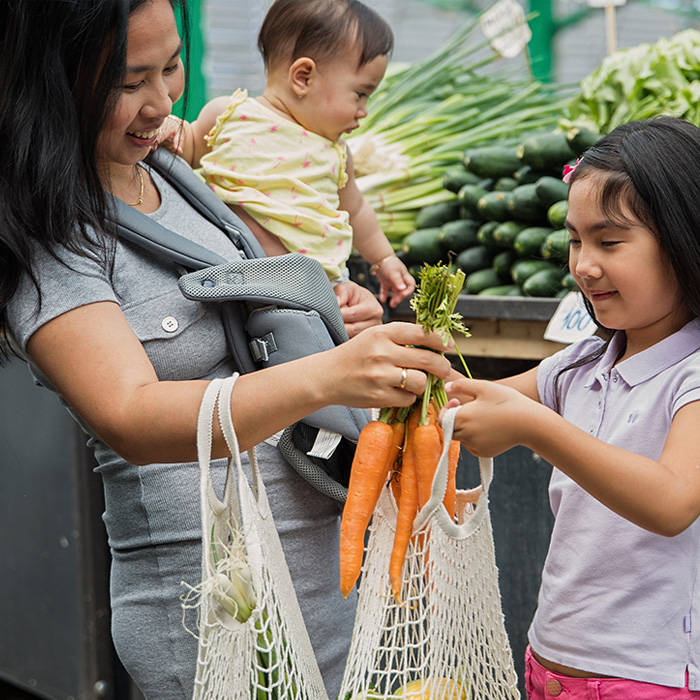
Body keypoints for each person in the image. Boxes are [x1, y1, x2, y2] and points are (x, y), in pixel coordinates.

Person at [0, 1, 453, 698]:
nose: (162, 102)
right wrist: (329, 375)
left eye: (172, 66)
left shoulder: (175, 172)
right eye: (130, 82)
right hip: (216, 614)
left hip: (324, 586)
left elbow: (240, 326)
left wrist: (327, 319)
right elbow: (130, 414)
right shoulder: (53, 236)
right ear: (54, 81)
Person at [440, 116, 700, 699]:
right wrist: (423, 372)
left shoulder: (692, 374)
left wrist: (536, 428)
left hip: (650, 681)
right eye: (575, 240)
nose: (582, 264)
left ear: (686, 242)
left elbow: (674, 501)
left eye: (609, 242)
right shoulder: (585, 361)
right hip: (551, 666)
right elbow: (490, 397)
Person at [161, 0, 415, 314]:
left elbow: (358, 211)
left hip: (317, 290)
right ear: (303, 77)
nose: (364, 111)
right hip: (234, 276)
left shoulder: (335, 153)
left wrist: (384, 259)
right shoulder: (231, 116)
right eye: (360, 94)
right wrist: (171, 125)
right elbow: (186, 145)